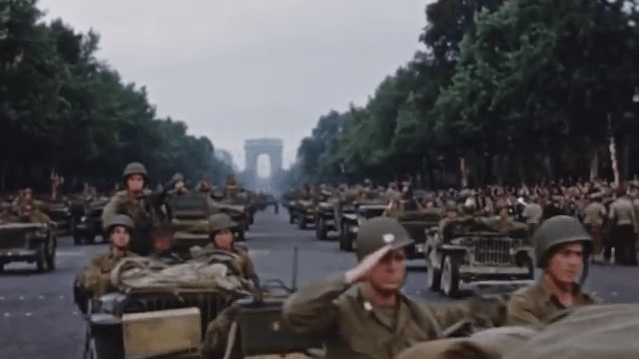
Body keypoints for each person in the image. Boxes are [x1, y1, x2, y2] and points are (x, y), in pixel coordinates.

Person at [282, 217, 505, 359]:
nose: (392, 267)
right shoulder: (343, 311)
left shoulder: (419, 315)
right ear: (365, 265)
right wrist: (350, 277)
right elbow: (295, 312)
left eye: (399, 259)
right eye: (383, 260)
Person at [507, 215, 598, 327]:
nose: (573, 262)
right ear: (546, 258)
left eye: (579, 254)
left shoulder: (590, 303)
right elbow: (541, 341)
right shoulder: (525, 303)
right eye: (565, 254)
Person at [73, 215, 138, 313]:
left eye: (125, 232)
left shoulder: (137, 260)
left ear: (130, 237)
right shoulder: (99, 261)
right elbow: (92, 283)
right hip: (107, 309)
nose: (121, 236)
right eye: (117, 232)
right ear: (111, 236)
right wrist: (117, 279)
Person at [102, 162, 159, 255]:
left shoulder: (150, 197)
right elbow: (108, 217)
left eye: (139, 179)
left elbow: (160, 221)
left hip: (148, 243)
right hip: (127, 243)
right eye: (132, 179)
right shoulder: (120, 199)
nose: (136, 183)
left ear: (144, 182)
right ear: (126, 182)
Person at [205, 213, 259, 287]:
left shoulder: (242, 255)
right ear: (213, 238)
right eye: (219, 234)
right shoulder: (206, 255)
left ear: (232, 235)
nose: (223, 237)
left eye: (226, 232)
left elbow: (253, 278)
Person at [608, 188, 638, 266]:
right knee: (631, 244)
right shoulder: (629, 203)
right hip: (629, 224)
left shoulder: (614, 204)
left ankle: (621, 259)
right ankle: (633, 260)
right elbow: (633, 216)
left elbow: (611, 216)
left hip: (619, 224)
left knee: (620, 243)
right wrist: (636, 227)